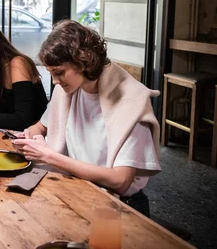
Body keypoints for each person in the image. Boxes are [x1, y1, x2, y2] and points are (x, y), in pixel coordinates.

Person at [12, 20, 160, 216]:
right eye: (51, 74)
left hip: (122, 205)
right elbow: (41, 126)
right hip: (78, 188)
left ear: (83, 61)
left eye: (59, 73)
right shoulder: (67, 90)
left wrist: (49, 156)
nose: (55, 82)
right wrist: (28, 137)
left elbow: (120, 181)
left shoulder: (131, 102)